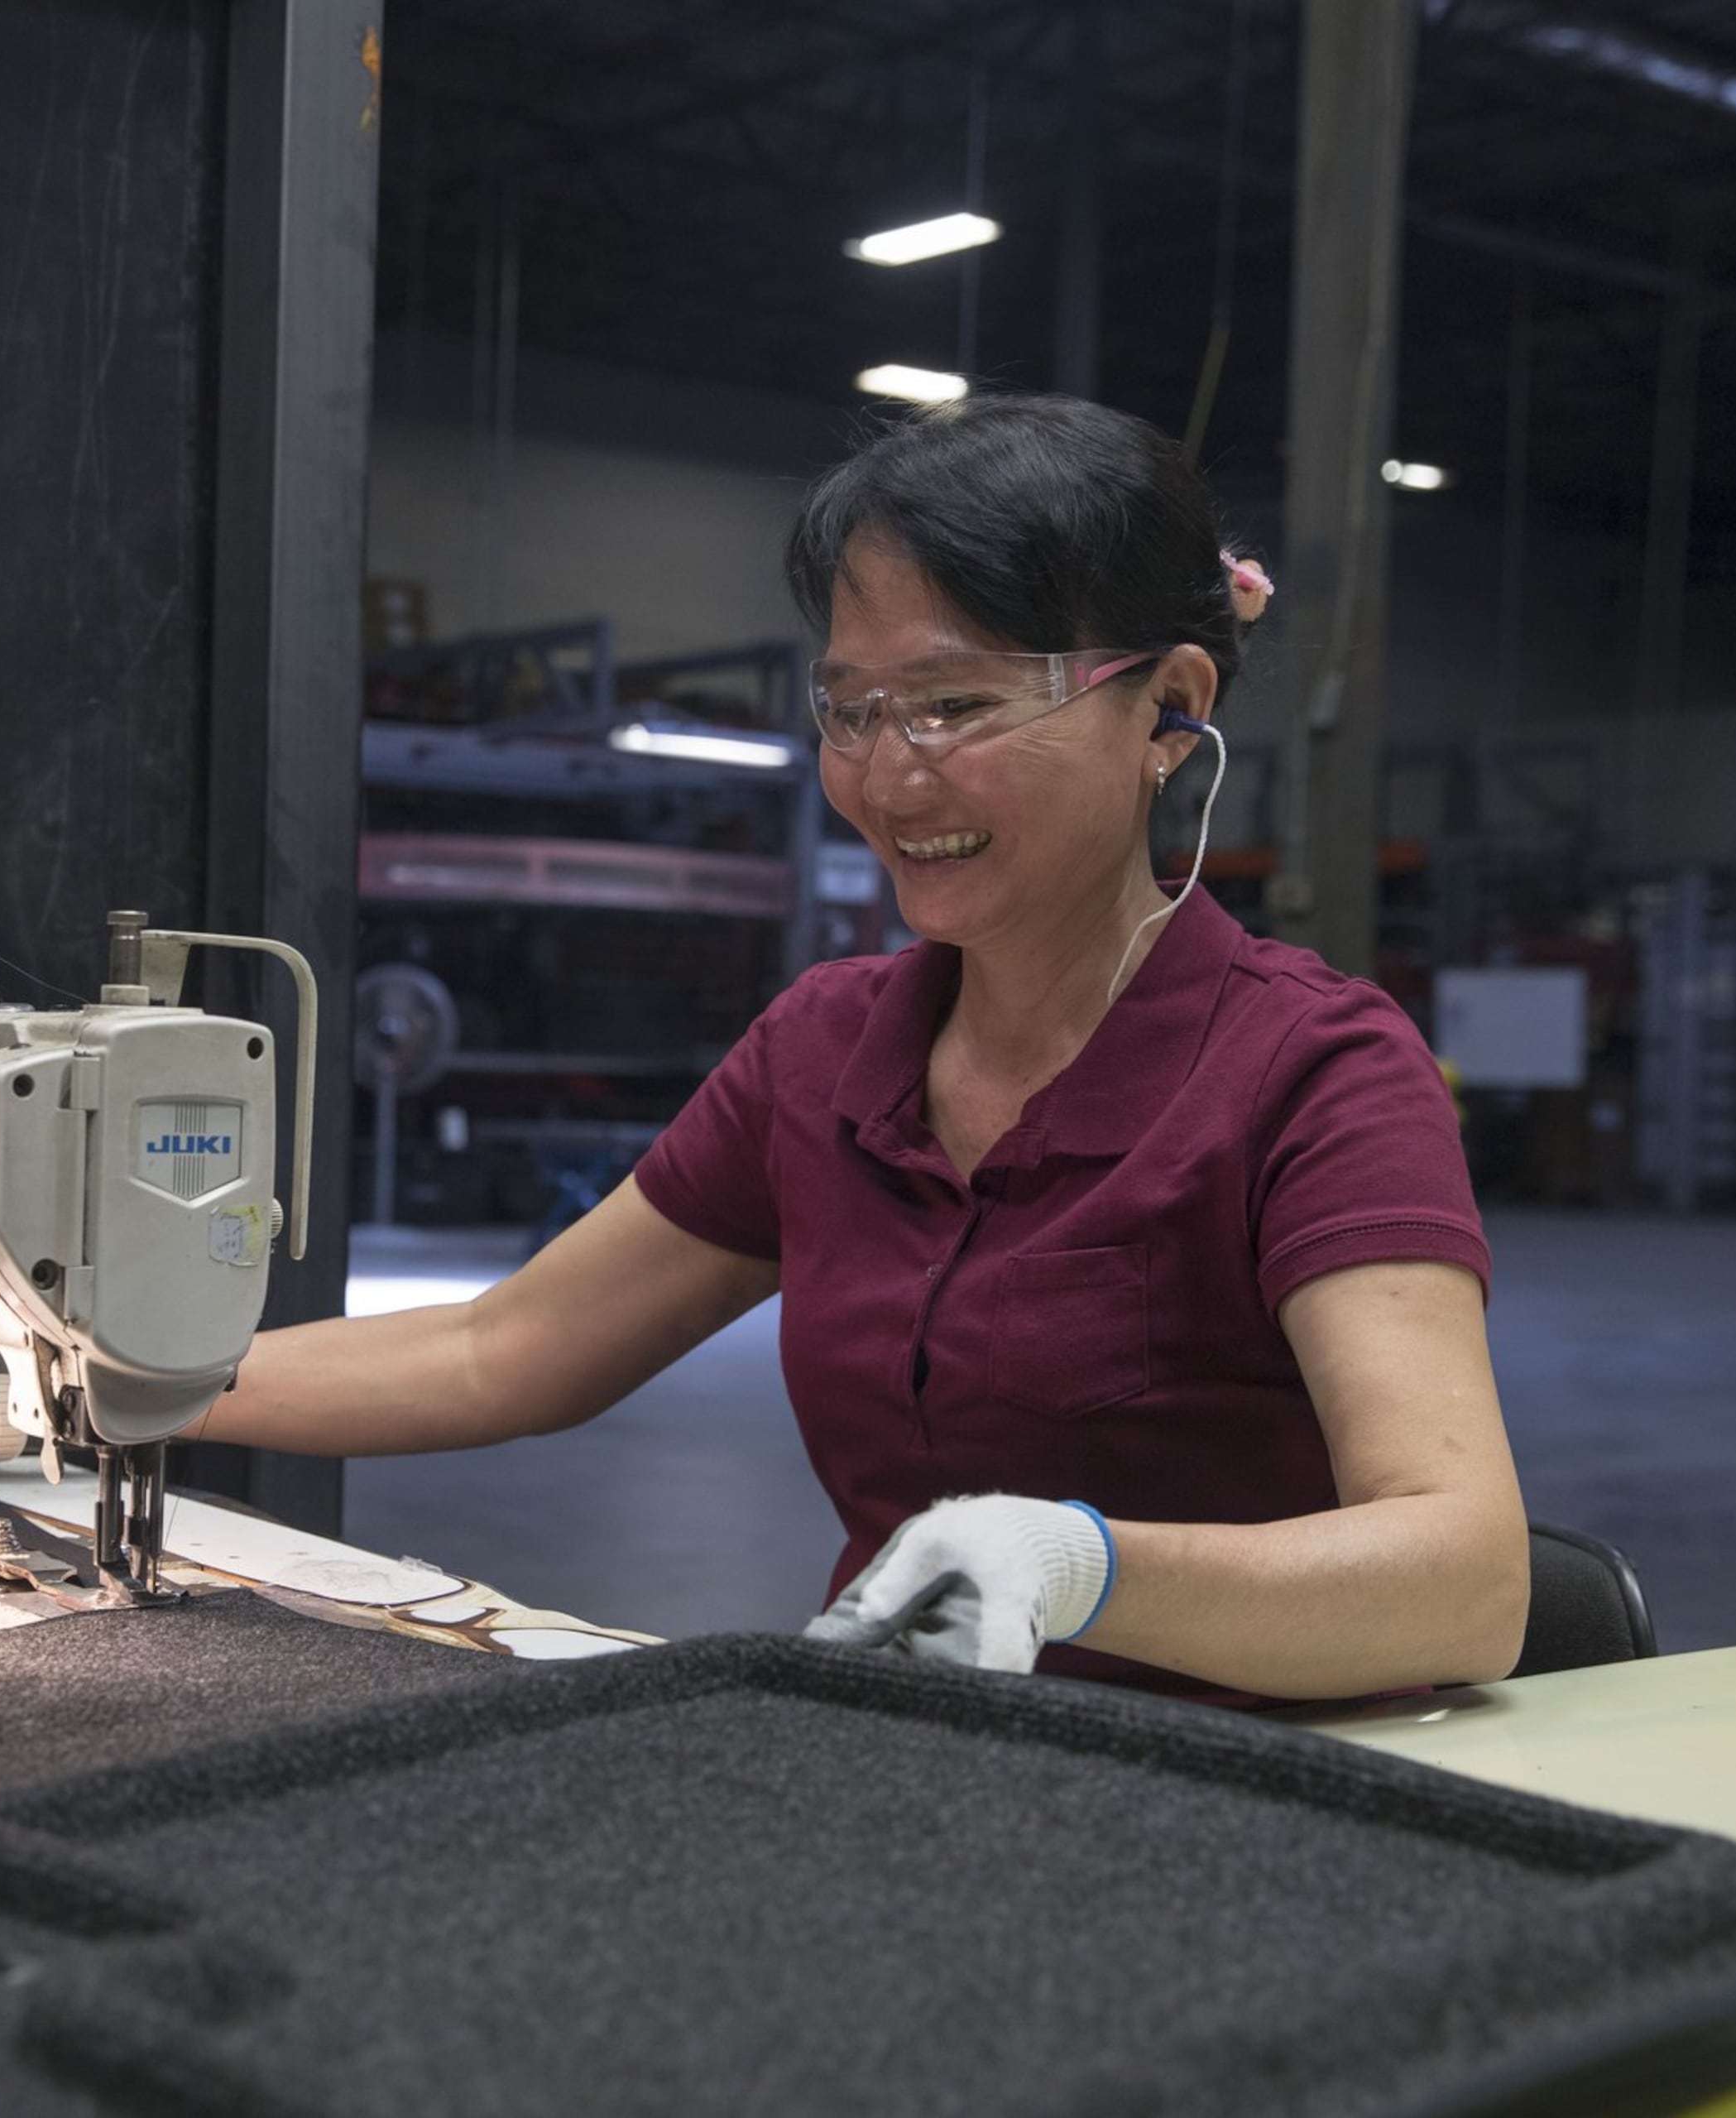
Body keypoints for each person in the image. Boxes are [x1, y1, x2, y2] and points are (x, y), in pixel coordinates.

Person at [199, 392, 1527, 1703]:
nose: (890, 779)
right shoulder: (827, 1050)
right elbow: (502, 1350)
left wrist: (1082, 1569)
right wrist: (94, 1373)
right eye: (852, 709)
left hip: (1245, 1807)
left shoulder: (1315, 1071)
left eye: (956, 705)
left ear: (1170, 712)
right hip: (907, 1769)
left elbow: (1461, 1578)